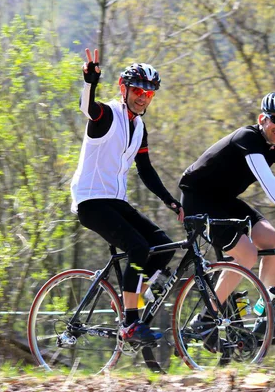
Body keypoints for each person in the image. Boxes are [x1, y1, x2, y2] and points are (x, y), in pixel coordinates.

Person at [178, 91, 275, 345]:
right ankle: (206, 319)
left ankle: (264, 320)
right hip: (199, 200)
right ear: (262, 118)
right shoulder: (248, 138)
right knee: (247, 255)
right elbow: (268, 181)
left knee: (273, 242)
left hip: (225, 201)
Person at [70, 48, 185, 344]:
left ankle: (126, 297)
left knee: (162, 245)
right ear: (124, 89)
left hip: (116, 201)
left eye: (149, 94)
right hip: (91, 202)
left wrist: (171, 202)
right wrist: (90, 82)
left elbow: (145, 169)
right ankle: (131, 322)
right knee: (137, 246)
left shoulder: (139, 127)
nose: (142, 97)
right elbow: (87, 108)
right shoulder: (107, 114)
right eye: (137, 90)